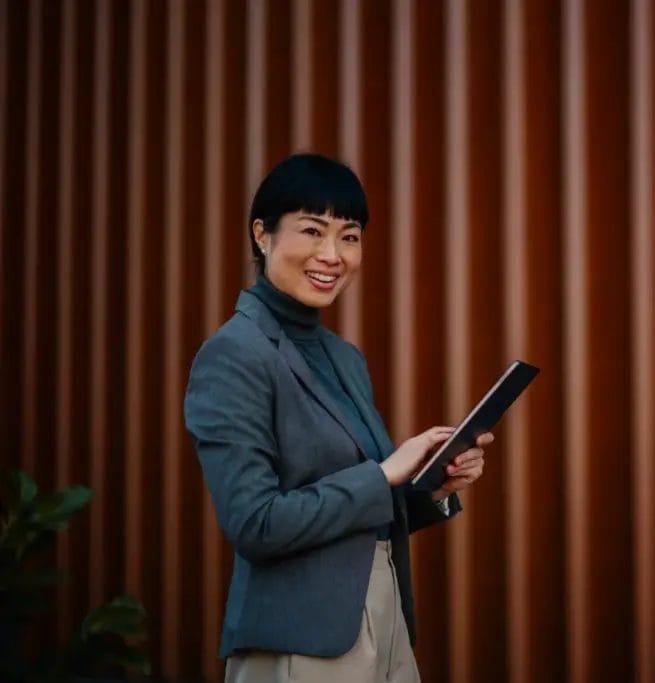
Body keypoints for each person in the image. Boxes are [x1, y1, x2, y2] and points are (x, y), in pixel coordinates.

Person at [184, 153, 490, 682]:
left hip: (385, 620)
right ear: (262, 235)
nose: (333, 254)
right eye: (312, 230)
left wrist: (429, 490)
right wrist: (385, 473)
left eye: (349, 236)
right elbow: (255, 523)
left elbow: (360, 511)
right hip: (302, 644)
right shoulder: (234, 353)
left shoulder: (343, 356)